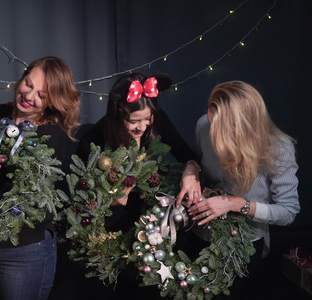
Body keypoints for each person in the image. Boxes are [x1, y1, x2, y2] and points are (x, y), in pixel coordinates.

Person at [51, 73, 201, 299]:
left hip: (151, 233)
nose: (142, 126)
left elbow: (187, 154)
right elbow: (83, 203)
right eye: (134, 121)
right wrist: (109, 202)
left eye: (147, 118)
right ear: (119, 112)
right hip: (109, 237)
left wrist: (191, 170)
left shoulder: (154, 124)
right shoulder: (94, 140)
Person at [0, 56, 80, 300]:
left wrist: (1, 226)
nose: (29, 96)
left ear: (52, 102)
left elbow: (37, 198)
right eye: (28, 84)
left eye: (41, 95)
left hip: (24, 251)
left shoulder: (50, 133)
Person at [178, 80, 300, 298]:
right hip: (199, 234)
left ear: (244, 125)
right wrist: (191, 170)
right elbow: (197, 162)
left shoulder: (278, 149)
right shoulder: (203, 125)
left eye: (221, 125)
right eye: (209, 113)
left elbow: (288, 211)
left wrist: (236, 204)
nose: (210, 125)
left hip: (244, 247)